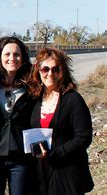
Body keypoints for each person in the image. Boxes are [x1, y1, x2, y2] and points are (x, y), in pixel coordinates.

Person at [27, 47, 94, 195]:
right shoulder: (34, 100)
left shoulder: (73, 100)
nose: (50, 74)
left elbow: (84, 138)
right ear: (38, 71)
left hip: (67, 172)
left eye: (55, 69)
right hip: (41, 174)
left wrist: (54, 153)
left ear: (62, 72)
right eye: (45, 69)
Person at [0, 36, 34, 195]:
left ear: (23, 58)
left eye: (17, 54)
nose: (12, 58)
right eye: (7, 54)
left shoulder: (32, 88)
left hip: (22, 159)